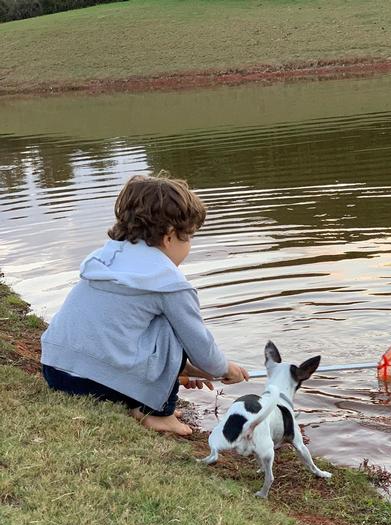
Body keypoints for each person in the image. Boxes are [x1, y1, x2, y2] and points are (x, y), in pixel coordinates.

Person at [41, 173, 249, 436]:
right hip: (96, 383)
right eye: (189, 237)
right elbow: (200, 345)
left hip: (56, 369)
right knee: (170, 324)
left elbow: (112, 332)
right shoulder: (169, 283)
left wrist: (184, 369)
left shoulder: (105, 258)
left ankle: (146, 397)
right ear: (170, 236)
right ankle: (158, 413)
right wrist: (223, 368)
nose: (189, 245)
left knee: (142, 320)